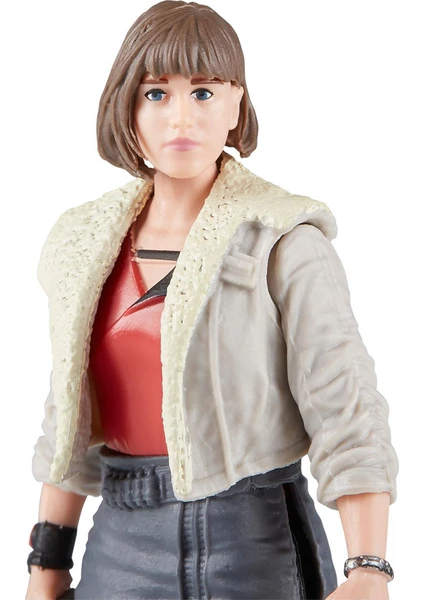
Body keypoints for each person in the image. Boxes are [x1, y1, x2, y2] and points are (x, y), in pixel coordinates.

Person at [25, 2, 398, 599]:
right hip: (122, 537)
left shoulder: (281, 238)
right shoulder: (82, 243)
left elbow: (344, 403)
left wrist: (369, 568)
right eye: (156, 94)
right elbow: (67, 414)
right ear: (126, 105)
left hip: (251, 538)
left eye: (203, 92)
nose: (181, 117)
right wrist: (47, 564)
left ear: (236, 105)